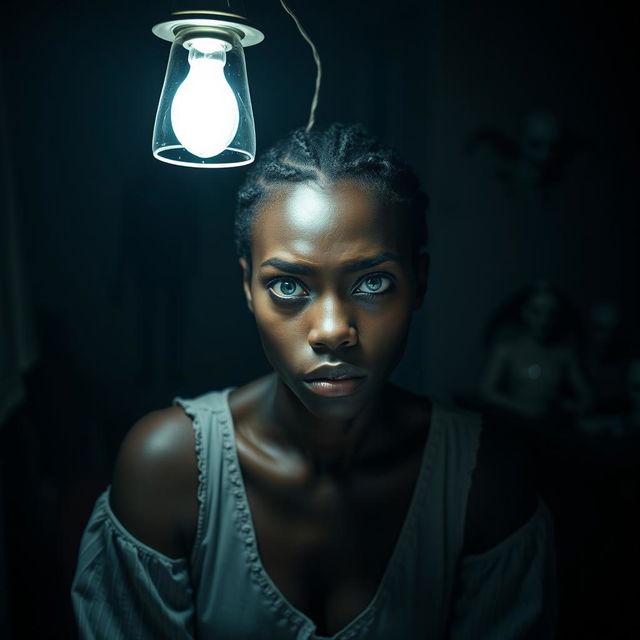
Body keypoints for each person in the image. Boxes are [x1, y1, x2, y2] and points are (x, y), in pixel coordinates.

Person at [71, 124, 556, 639]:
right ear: (247, 287)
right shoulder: (167, 470)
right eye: (287, 285)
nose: (331, 332)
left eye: (373, 283)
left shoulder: (488, 480)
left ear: (420, 282)